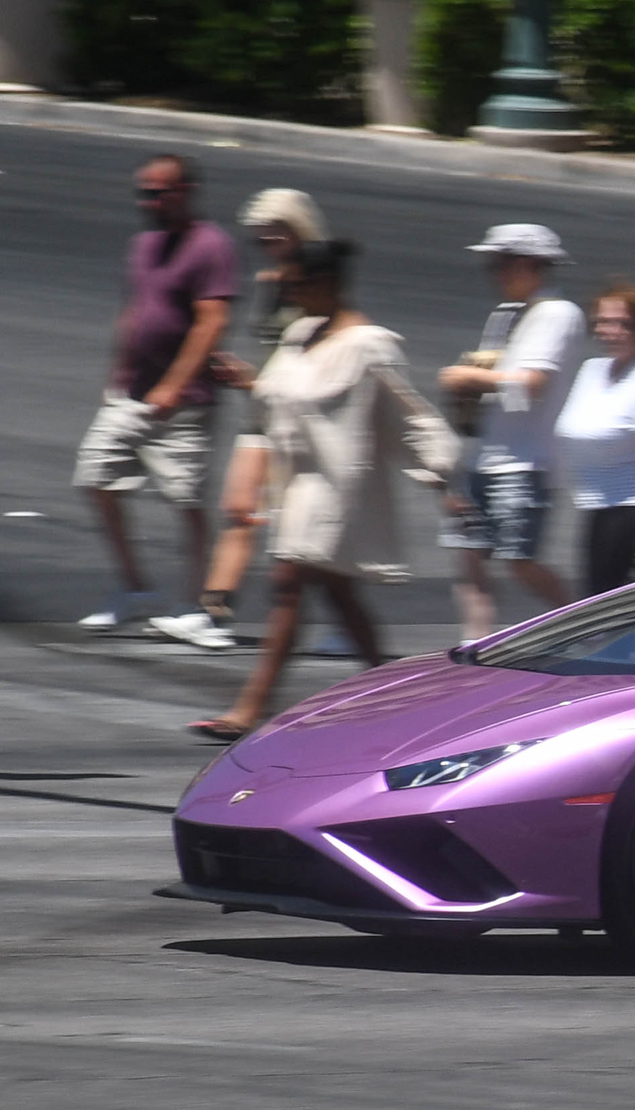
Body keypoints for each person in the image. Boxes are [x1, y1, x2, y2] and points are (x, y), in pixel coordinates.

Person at [192, 241, 459, 740]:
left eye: (297, 286)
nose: (290, 298)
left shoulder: (369, 345)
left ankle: (250, 708)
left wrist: (440, 473)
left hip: (339, 486)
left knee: (288, 582)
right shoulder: (298, 335)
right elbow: (283, 401)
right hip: (298, 483)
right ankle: (394, 693)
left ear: (327, 285)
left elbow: (408, 414)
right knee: (338, 594)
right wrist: (248, 383)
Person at [73, 153, 239, 640]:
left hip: (184, 403)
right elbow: (137, 307)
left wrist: (174, 384)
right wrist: (117, 372)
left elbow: (212, 321)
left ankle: (198, 607)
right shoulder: (144, 244)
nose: (148, 201)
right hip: (131, 394)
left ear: (184, 191)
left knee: (186, 501)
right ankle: (134, 588)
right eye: (142, 192)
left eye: (158, 192)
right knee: (95, 476)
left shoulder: (211, 246)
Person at [177, 187, 329, 650]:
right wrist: (249, 378)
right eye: (260, 238)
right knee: (239, 510)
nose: (265, 244)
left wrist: (254, 381)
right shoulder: (273, 280)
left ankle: (340, 616)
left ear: (299, 230)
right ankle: (213, 613)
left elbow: (320, 355)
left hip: (302, 412)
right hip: (263, 405)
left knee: (302, 527)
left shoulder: (318, 282)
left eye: (274, 235)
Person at [436, 223, 585, 641]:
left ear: (528, 264)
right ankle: (474, 644)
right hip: (484, 457)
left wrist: (466, 377)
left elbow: (533, 382)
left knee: (519, 559)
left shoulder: (558, 313)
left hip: (524, 462)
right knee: (468, 555)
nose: (494, 273)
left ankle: (584, 625)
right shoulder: (505, 315)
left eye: (500, 263)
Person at [557, 289, 635, 594]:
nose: (611, 332)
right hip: (597, 502)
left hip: (633, 505)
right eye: (603, 322)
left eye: (623, 324)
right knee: (595, 591)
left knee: (608, 595)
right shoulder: (592, 369)